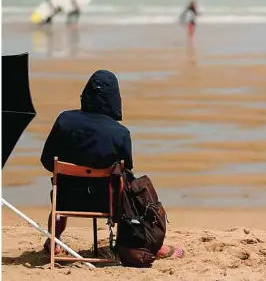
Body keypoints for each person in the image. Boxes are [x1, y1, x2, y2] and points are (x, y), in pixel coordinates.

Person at [41, 69, 183, 261]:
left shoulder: (64, 120)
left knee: (61, 186)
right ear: (114, 98)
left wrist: (75, 170)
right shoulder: (119, 133)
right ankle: (145, 243)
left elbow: (46, 160)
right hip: (107, 203)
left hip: (67, 198)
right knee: (129, 185)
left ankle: (54, 240)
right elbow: (126, 169)